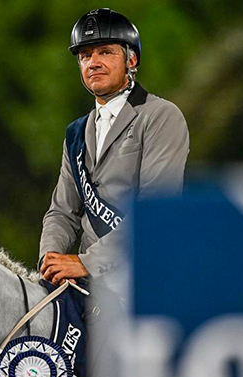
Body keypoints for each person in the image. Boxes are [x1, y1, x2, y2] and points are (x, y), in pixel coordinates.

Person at [39, 8, 189, 285]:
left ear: (131, 59)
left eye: (105, 52)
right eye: (85, 56)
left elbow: (155, 213)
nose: (93, 62)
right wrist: (50, 261)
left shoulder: (160, 116)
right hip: (86, 284)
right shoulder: (75, 133)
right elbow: (62, 212)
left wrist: (85, 263)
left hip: (144, 281)